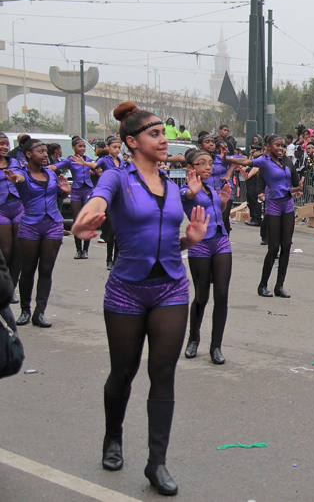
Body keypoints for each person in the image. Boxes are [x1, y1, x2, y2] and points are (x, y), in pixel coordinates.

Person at [72, 101, 209, 496]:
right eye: (154, 134)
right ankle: (113, 437)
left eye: (163, 134)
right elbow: (96, 204)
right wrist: (85, 219)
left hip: (170, 287)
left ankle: (156, 462)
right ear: (131, 142)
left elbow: (168, 240)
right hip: (126, 290)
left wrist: (191, 240)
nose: (164, 140)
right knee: (123, 372)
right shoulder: (116, 179)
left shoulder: (170, 183)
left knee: (163, 373)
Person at [4, 135, 71, 328]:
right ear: (28, 154)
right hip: (30, 225)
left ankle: (39, 312)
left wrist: (65, 192)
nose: (45, 155)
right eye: (40, 152)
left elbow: (58, 193)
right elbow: (20, 178)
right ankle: (25, 310)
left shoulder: (50, 174)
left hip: (53, 224)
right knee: (28, 270)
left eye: (45, 152)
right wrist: (17, 179)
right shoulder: (22, 173)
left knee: (46, 270)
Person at [223, 135, 302, 297]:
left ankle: (279, 286)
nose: (280, 148)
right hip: (273, 205)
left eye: (282, 146)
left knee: (286, 245)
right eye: (277, 145)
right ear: (268, 146)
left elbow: (292, 178)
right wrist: (226, 157)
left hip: (287, 204)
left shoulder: (285, 161)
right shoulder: (263, 161)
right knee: (273, 248)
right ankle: (263, 285)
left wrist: (297, 188)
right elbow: (245, 162)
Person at [180, 149, 233, 365]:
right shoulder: (186, 189)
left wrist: (223, 202)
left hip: (221, 242)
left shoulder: (211, 188)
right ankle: (193, 339)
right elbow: (188, 196)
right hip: (200, 245)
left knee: (221, 294)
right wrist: (192, 191)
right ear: (190, 168)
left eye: (210, 162)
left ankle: (216, 347)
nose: (208, 166)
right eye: (202, 163)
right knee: (202, 295)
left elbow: (216, 213)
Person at [55, 136, 98, 259]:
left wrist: (95, 171)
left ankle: (86, 250)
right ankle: (78, 249)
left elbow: (98, 167)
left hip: (88, 190)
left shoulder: (88, 159)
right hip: (76, 191)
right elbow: (57, 166)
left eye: (84, 146)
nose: (82, 149)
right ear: (73, 147)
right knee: (77, 220)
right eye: (80, 146)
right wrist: (43, 168)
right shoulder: (70, 160)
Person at [95, 138, 125, 270]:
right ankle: (109, 259)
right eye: (114, 147)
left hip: (121, 198)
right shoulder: (104, 160)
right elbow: (94, 166)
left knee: (119, 231)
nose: (117, 150)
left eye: (119, 147)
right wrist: (92, 168)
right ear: (107, 148)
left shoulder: (121, 162)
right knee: (112, 231)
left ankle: (117, 258)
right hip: (110, 198)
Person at [0, 133, 22, 303]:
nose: (4, 147)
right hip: (1, 211)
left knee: (18, 250)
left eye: (6, 144)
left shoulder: (14, 162)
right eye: (1, 144)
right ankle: (4, 286)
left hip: (18, 207)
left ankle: (12, 287)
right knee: (5, 251)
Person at [244, 140, 263, 227]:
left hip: (255, 181)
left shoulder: (260, 159)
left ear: (259, 151)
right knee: (250, 200)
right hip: (250, 182)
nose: (252, 153)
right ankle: (253, 217)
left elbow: (255, 169)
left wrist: (247, 176)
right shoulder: (253, 159)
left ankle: (256, 218)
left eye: (254, 151)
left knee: (255, 201)